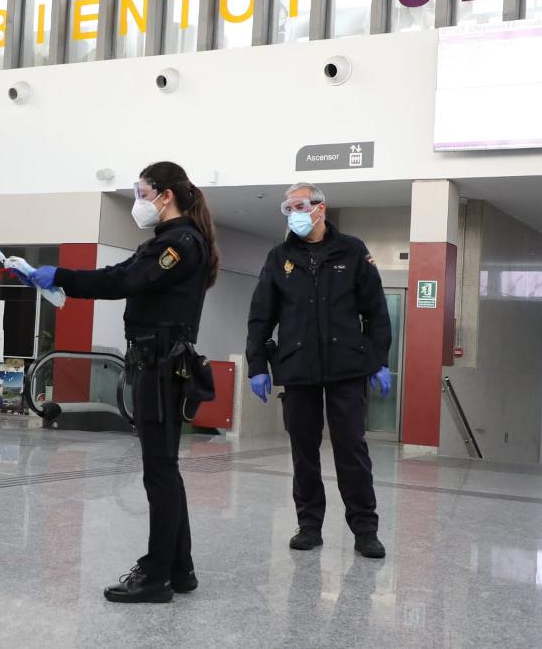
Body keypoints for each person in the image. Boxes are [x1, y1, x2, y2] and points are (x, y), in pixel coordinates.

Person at [20, 162, 219, 604]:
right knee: (164, 469)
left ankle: (156, 575)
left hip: (163, 368)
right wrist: (60, 278)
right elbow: (125, 273)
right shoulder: (172, 241)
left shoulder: (180, 243)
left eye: (143, 191)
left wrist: (62, 276)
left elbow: (122, 280)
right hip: (159, 365)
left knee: (159, 472)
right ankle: (179, 569)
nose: (138, 201)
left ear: (166, 195)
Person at [245, 182, 392, 559]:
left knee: (351, 449)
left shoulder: (353, 251)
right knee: (303, 451)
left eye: (299, 205)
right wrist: (257, 365)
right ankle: (309, 525)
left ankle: (364, 529)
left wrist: (378, 360)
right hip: (298, 368)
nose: (293, 212)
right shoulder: (279, 257)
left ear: (320, 209)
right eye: (288, 207)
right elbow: (261, 317)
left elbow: (375, 311)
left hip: (346, 368)